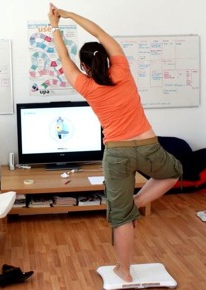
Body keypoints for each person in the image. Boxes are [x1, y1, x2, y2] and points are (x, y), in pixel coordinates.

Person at [48, 4, 183, 282]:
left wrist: (55, 25)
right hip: (148, 146)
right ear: (107, 58)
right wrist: (69, 14)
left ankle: (124, 270)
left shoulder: (85, 85)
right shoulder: (122, 68)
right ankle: (137, 202)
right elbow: (99, 31)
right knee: (174, 171)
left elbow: (62, 56)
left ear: (85, 66)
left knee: (121, 215)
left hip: (117, 153)